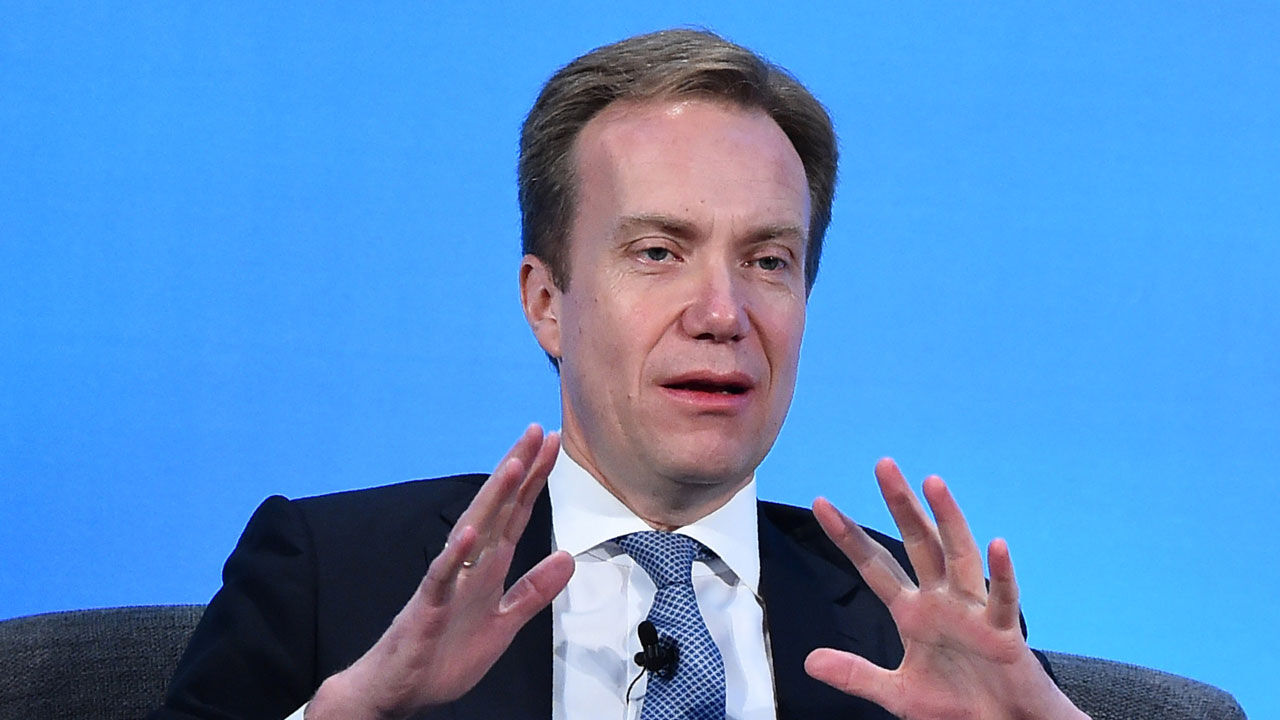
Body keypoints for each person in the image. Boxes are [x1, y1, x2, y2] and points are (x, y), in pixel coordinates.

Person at [152, 29, 1087, 720]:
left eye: (769, 261)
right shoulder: (334, 579)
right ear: (545, 301)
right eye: (657, 252)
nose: (723, 313)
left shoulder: (920, 626)